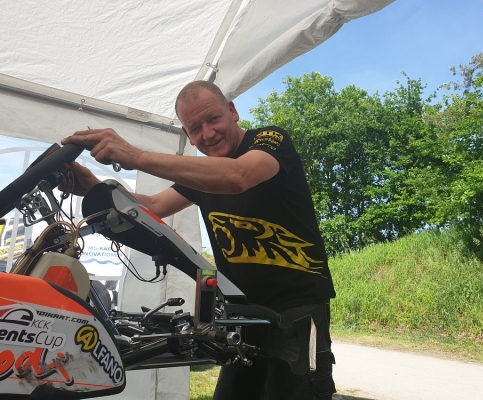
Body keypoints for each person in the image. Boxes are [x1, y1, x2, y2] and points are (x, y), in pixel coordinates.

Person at [61, 80, 337, 400]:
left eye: (214, 119)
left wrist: (135, 155)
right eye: (195, 128)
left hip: (298, 311)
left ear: (232, 111)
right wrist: (93, 186)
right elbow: (154, 205)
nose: (207, 134)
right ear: (187, 134)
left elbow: (238, 176)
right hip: (242, 313)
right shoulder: (202, 175)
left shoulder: (270, 141)